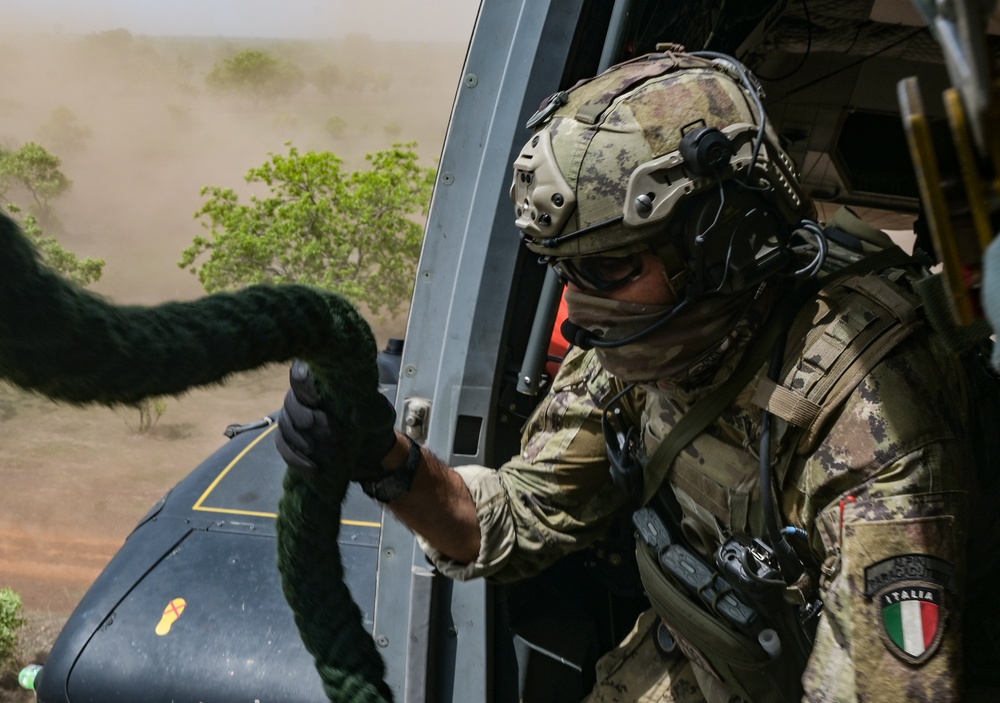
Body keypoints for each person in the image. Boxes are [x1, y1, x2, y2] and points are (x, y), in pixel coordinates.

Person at [276, 49, 1000, 702]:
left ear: (724, 242)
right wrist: (386, 460)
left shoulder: (873, 419)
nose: (577, 305)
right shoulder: (643, 343)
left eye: (607, 268)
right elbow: (516, 517)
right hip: (693, 655)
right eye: (565, 270)